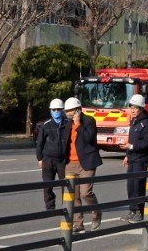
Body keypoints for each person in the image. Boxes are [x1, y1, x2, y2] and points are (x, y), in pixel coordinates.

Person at [64, 97, 102, 233]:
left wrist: (78, 124)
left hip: (86, 162)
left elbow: (89, 138)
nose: (68, 114)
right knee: (73, 195)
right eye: (66, 111)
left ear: (78, 110)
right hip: (70, 163)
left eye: (71, 111)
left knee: (86, 193)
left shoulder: (89, 121)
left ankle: (97, 214)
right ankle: (78, 223)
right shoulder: (66, 123)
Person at [119, 94, 148, 223]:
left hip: (142, 159)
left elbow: (147, 143)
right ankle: (132, 210)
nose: (132, 110)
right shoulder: (134, 121)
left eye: (135, 108)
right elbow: (131, 140)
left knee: (138, 186)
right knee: (130, 186)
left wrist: (131, 146)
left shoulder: (147, 123)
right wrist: (127, 155)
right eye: (131, 107)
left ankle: (139, 212)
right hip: (132, 158)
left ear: (142, 108)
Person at [35, 98, 70, 211]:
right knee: (48, 185)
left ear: (62, 110)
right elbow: (40, 143)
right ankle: (50, 207)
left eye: (58, 109)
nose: (56, 112)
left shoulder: (68, 124)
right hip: (48, 159)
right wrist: (40, 158)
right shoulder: (46, 125)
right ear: (50, 111)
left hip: (63, 160)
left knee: (66, 185)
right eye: (54, 110)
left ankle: (67, 206)